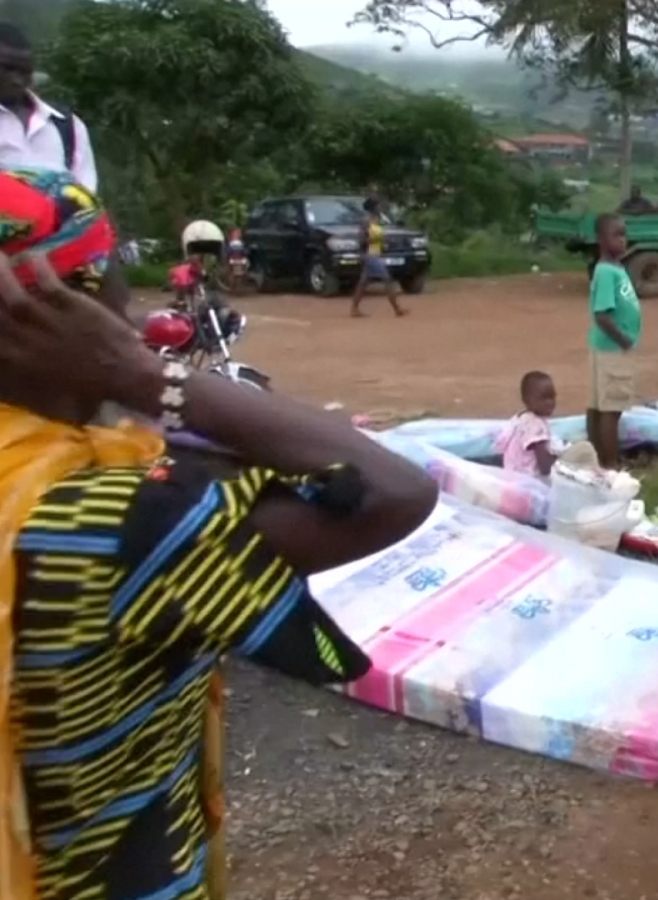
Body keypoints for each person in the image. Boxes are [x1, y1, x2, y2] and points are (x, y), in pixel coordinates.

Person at [0, 168, 438, 898]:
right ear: (62, 324)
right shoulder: (115, 523)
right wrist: (143, 377)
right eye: (119, 294)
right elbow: (392, 491)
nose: (137, 315)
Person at [0, 24, 96, 191]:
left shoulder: (68, 126)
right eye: (8, 69)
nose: (17, 80)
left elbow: (84, 202)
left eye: (25, 71)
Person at [587, 213, 641, 470]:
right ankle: (610, 464)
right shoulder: (607, 271)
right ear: (600, 239)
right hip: (613, 348)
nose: (622, 240)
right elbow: (602, 315)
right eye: (615, 235)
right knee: (611, 409)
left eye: (624, 234)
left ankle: (597, 460)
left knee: (600, 406)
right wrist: (625, 341)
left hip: (607, 348)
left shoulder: (614, 268)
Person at [495, 370, 565, 478]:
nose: (549, 402)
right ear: (526, 400)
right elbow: (545, 468)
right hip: (528, 481)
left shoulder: (520, 418)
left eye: (552, 397)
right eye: (543, 398)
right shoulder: (535, 425)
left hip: (511, 476)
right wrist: (564, 461)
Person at [350, 197, 405, 318]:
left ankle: (354, 309)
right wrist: (377, 239)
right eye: (378, 205)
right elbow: (362, 240)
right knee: (387, 280)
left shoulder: (377, 220)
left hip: (375, 253)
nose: (380, 207)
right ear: (373, 207)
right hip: (369, 255)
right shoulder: (366, 221)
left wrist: (383, 243)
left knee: (363, 283)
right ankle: (397, 309)